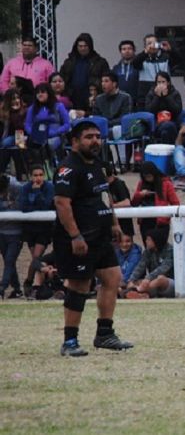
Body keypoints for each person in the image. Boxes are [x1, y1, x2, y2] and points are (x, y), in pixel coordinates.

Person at [53, 120, 133, 356]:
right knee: (79, 285)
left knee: (112, 277)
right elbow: (61, 203)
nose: (95, 141)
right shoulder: (68, 168)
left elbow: (104, 195)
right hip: (79, 239)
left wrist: (115, 223)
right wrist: (75, 236)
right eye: (89, 137)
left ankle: (105, 334)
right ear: (75, 141)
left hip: (100, 236)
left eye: (98, 136)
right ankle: (69, 342)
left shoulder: (98, 165)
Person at [16, 164, 53, 296]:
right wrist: (35, 204)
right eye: (35, 175)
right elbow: (23, 206)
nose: (38, 178)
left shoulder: (49, 187)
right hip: (30, 229)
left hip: (44, 228)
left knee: (37, 257)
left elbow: (46, 206)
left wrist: (37, 192)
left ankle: (31, 283)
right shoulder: (25, 188)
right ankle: (31, 282)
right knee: (35, 259)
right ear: (31, 177)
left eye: (40, 175)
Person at [130, 161, 180, 245]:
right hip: (145, 222)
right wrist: (140, 194)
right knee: (148, 247)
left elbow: (175, 203)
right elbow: (134, 203)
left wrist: (167, 217)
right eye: (145, 176)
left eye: (149, 176)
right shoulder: (141, 183)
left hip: (160, 223)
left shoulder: (166, 183)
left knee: (160, 248)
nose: (147, 178)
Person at [59, 33, 110, 112]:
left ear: (90, 46)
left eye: (85, 46)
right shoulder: (69, 62)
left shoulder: (100, 62)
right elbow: (62, 78)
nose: (83, 48)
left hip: (92, 99)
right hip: (72, 98)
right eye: (80, 46)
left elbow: (106, 80)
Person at [132, 34, 179, 109]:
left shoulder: (166, 57)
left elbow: (179, 61)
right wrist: (145, 52)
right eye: (149, 43)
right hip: (146, 97)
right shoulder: (142, 58)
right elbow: (135, 63)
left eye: (154, 43)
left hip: (165, 96)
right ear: (145, 47)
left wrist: (170, 50)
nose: (152, 46)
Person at [24, 83, 70, 153]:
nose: (40, 95)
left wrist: (55, 132)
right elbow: (27, 125)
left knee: (50, 144)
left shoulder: (59, 106)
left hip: (55, 135)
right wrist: (34, 133)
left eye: (43, 92)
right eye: (38, 93)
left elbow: (67, 124)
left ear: (49, 93)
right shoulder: (32, 108)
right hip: (37, 135)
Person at [92, 72, 132, 144]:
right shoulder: (99, 99)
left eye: (106, 81)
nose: (103, 84)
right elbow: (96, 117)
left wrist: (106, 123)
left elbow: (124, 118)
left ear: (114, 84)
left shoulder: (125, 97)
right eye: (102, 81)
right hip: (102, 129)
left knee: (117, 130)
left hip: (119, 129)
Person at [144, 71, 182, 144]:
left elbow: (177, 110)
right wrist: (157, 97)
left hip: (172, 121)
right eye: (159, 82)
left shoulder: (175, 93)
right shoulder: (151, 93)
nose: (161, 84)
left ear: (168, 83)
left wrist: (167, 97)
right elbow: (149, 111)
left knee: (167, 128)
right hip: (156, 123)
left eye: (163, 82)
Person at [0, 174, 22, 299]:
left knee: (9, 260)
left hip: (16, 231)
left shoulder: (17, 187)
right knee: (9, 262)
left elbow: (21, 206)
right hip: (2, 231)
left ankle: (3, 287)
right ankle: (17, 289)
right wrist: (7, 205)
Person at [102, 162, 134, 237]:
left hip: (124, 227)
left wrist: (111, 206)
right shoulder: (104, 186)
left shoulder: (119, 184)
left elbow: (127, 203)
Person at [112, 40, 139, 106]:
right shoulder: (116, 68)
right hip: (119, 102)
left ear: (134, 50)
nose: (127, 51)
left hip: (136, 102)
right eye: (124, 49)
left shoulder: (139, 66)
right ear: (120, 52)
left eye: (129, 49)